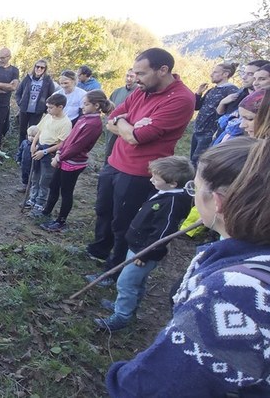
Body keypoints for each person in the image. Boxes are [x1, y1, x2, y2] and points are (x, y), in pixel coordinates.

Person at [106, 136, 270, 397]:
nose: (192, 196)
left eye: (195, 188)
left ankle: (122, 314)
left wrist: (120, 379)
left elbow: (158, 385)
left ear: (218, 202)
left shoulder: (231, 296)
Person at [86, 48, 195, 285]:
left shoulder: (181, 99)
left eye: (142, 73)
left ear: (163, 70)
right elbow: (112, 118)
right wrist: (128, 124)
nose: (136, 79)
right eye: (135, 73)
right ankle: (99, 249)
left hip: (138, 171)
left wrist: (126, 126)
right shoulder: (142, 91)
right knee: (103, 209)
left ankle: (114, 270)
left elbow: (139, 137)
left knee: (123, 221)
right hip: (114, 162)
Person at [92, 155, 194, 331]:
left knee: (126, 282)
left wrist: (146, 254)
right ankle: (128, 308)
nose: (151, 179)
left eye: (156, 177)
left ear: (173, 183)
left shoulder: (172, 203)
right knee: (137, 282)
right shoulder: (166, 194)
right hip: (139, 247)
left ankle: (121, 317)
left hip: (144, 251)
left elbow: (163, 233)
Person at [39, 91, 114, 231]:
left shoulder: (94, 123)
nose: (82, 107)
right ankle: (45, 212)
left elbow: (77, 146)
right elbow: (70, 138)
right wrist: (59, 153)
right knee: (54, 186)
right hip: (63, 158)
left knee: (66, 191)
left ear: (96, 105)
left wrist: (59, 157)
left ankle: (61, 221)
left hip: (73, 163)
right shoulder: (84, 118)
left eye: (86, 104)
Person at [24, 94, 71, 217]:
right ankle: (32, 199)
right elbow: (40, 130)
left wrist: (44, 152)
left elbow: (61, 144)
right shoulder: (48, 117)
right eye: (47, 107)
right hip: (39, 147)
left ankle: (40, 203)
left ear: (60, 107)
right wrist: (34, 144)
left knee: (45, 179)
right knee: (35, 176)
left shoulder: (66, 123)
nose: (48, 110)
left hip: (49, 153)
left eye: (50, 107)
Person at [190, 62, 240, 165]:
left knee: (199, 162)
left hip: (210, 132)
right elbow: (197, 107)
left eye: (215, 72)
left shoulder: (231, 90)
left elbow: (231, 114)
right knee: (192, 160)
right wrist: (199, 93)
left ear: (225, 74)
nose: (211, 74)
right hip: (198, 130)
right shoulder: (212, 90)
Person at [15, 59, 57, 144]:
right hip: (24, 110)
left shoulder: (48, 81)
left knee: (33, 132)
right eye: (37, 67)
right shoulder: (28, 78)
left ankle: (30, 150)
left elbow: (51, 96)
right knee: (22, 131)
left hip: (37, 111)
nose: (39, 69)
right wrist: (20, 103)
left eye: (42, 67)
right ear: (34, 67)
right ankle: (21, 150)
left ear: (45, 69)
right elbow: (18, 93)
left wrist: (45, 109)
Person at [103, 69, 137, 164]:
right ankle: (106, 168)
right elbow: (108, 106)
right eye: (127, 76)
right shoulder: (118, 91)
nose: (129, 79)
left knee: (119, 151)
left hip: (125, 127)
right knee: (108, 148)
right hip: (111, 124)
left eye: (131, 76)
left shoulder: (139, 93)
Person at [15, 125, 39, 193]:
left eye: (33, 136)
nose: (31, 138)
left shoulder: (38, 146)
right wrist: (18, 159)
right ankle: (25, 186)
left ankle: (32, 188)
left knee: (33, 177)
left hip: (33, 165)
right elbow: (20, 151)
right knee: (24, 175)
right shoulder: (24, 143)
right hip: (24, 163)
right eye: (29, 135)